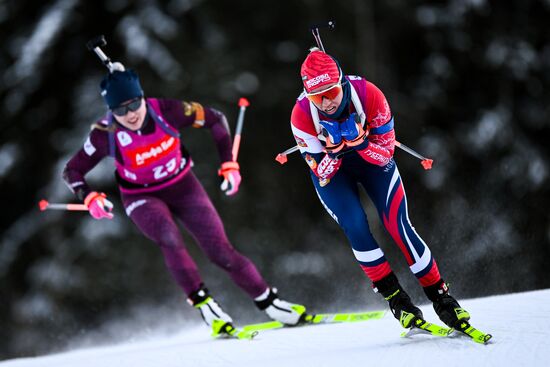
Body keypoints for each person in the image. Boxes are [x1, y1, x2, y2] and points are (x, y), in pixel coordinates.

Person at [63, 64, 305, 336]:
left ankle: (271, 302)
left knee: (221, 251)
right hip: (141, 196)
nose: (129, 115)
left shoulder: (168, 110)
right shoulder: (104, 134)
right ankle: (206, 305)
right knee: (168, 236)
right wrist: (90, 197)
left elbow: (215, 119)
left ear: (143, 97)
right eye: (120, 110)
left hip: (183, 186)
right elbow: (72, 170)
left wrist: (229, 164)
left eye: (133, 105)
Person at [289, 48, 470, 330]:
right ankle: (397, 299)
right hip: (335, 175)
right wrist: (335, 153)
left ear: (342, 83)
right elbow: (320, 173)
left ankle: (443, 299)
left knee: (398, 225)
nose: (325, 103)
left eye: (331, 92)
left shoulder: (369, 95)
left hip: (372, 161)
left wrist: (360, 143)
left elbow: (386, 154)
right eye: (316, 96)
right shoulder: (301, 115)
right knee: (356, 226)